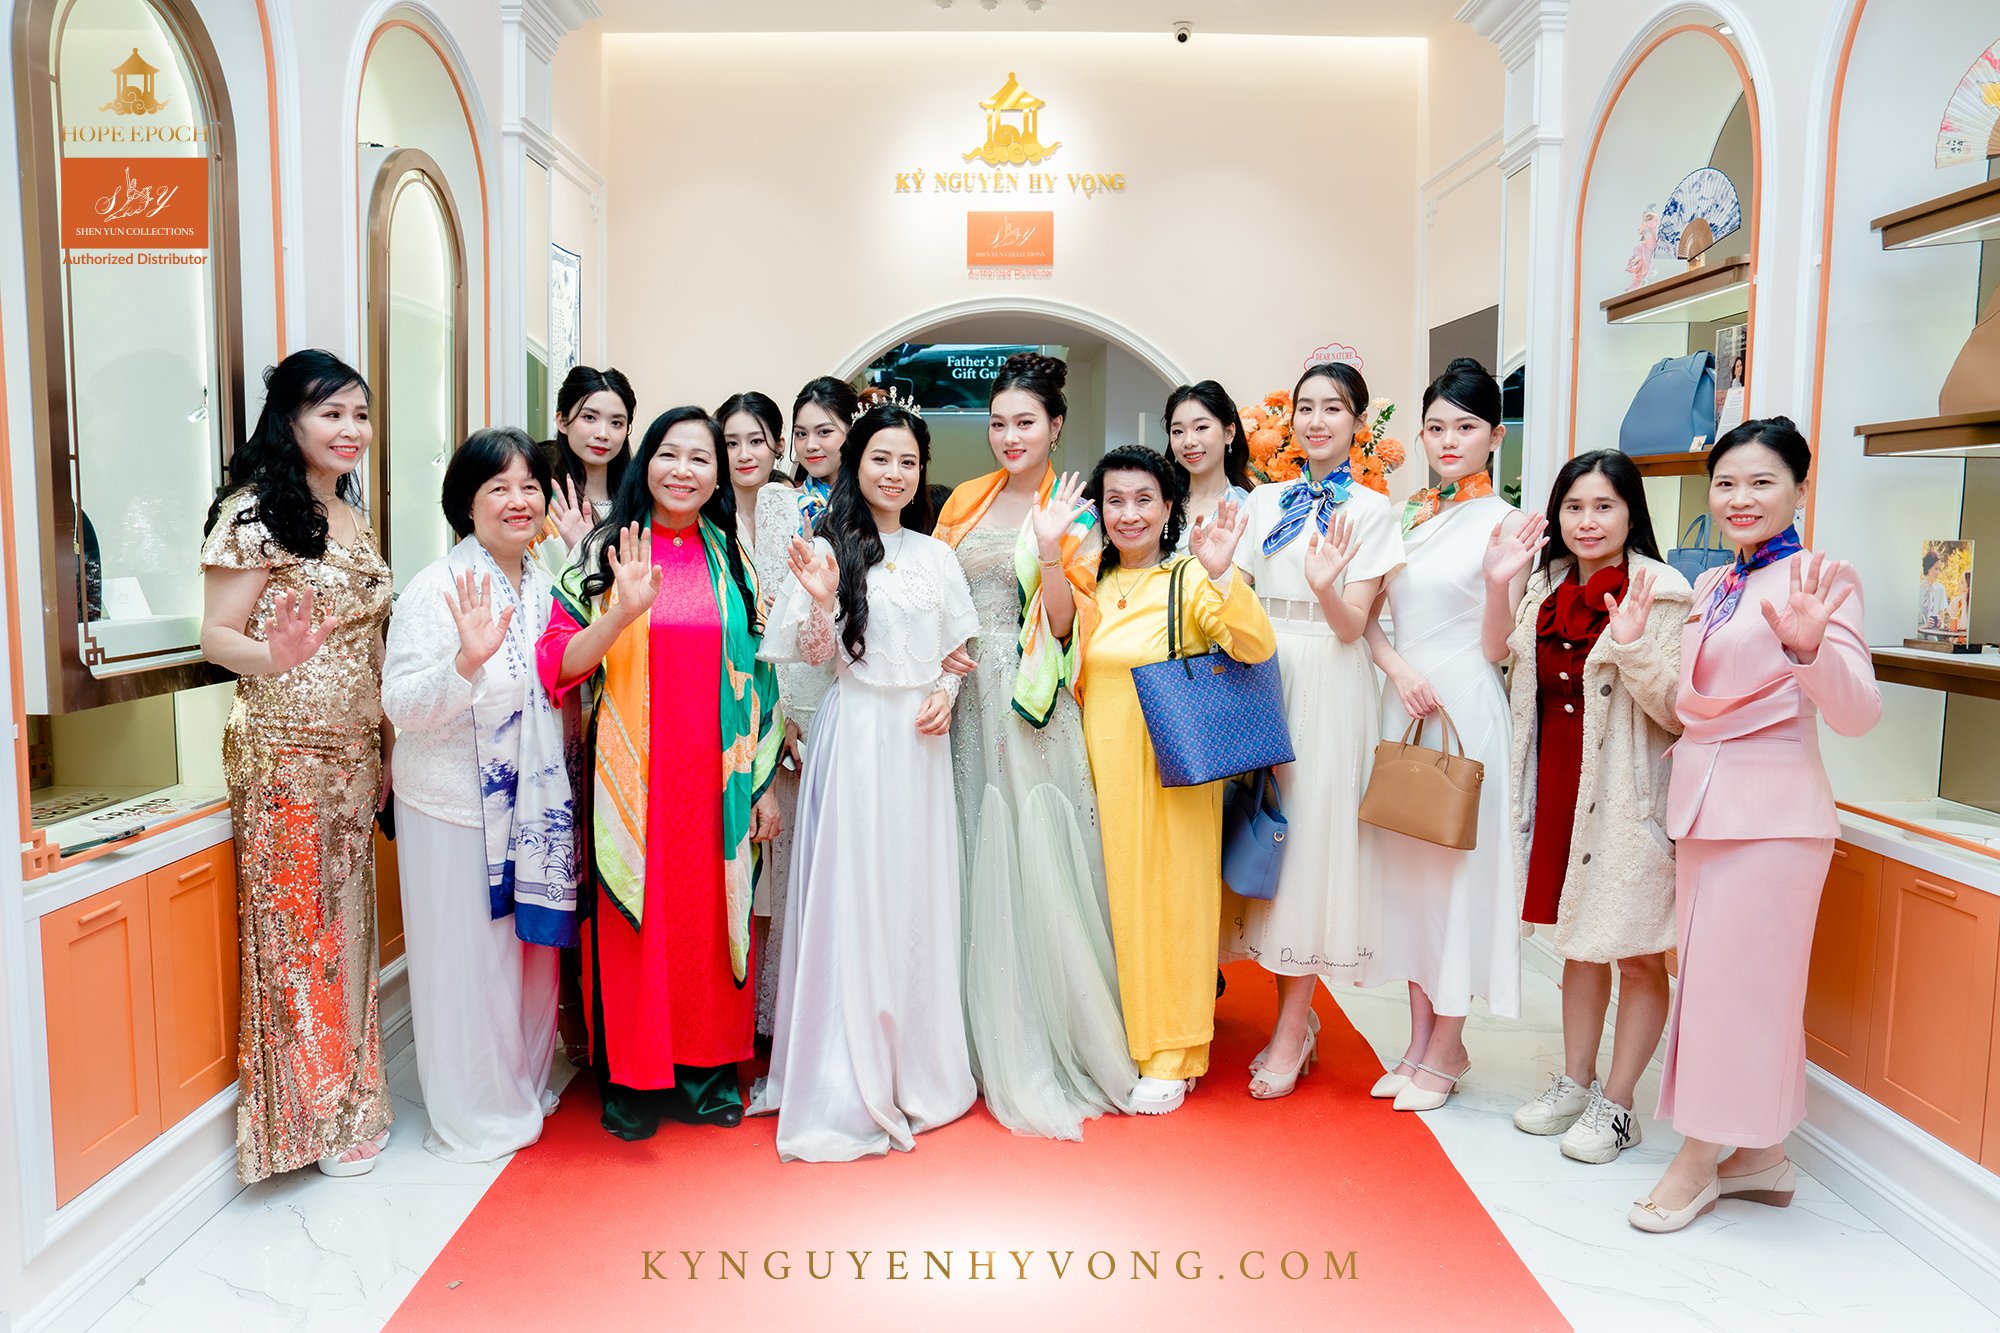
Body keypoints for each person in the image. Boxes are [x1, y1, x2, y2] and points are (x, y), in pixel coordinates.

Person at [1632, 417, 1879, 1233]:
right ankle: (1761, 1156)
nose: (1741, 498)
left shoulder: (1822, 576)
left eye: (1763, 481)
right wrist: (1635, 648)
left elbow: (1859, 713)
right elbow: (1694, 706)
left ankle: (1698, 1157)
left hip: (1775, 818)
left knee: (1738, 993)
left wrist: (1812, 652)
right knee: (1723, 986)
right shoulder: (1714, 583)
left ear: (1800, 489)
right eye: (1727, 482)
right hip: (1706, 809)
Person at [535, 407, 781, 1139]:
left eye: (701, 458)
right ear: (646, 463)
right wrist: (618, 614)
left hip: (717, 783)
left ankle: (706, 1073)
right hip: (631, 777)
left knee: (709, 919)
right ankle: (634, 1079)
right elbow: (558, 664)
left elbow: (761, 677)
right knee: (633, 925)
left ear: (718, 475)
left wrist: (761, 786)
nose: (683, 470)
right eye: (669, 454)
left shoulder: (733, 559)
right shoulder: (604, 550)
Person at [756, 403, 981, 1161]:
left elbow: (957, 651)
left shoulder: (937, 555)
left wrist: (945, 693)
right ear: (857, 463)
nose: (895, 473)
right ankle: (845, 1069)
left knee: (914, 892)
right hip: (855, 735)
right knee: (854, 893)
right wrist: (823, 601)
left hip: (918, 746)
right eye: (881, 458)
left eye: (908, 461)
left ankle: (916, 1063)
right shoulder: (829, 546)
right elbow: (814, 655)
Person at [198, 350, 395, 1181]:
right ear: (290, 419)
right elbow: (216, 637)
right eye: (332, 413)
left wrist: (386, 743)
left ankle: (353, 1097)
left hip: (355, 750)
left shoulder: (350, 511)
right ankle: (312, 1123)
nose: (350, 429)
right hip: (283, 748)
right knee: (298, 935)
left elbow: (371, 641)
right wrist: (274, 658)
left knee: (346, 931)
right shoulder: (252, 512)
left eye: (360, 414)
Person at [932, 352, 1138, 1139]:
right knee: (971, 845)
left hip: (1031, 703)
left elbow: (1061, 622)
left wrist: (1050, 547)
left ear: (1056, 426)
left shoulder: (1074, 509)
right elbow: (937, 596)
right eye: (998, 423)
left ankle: (1057, 1032)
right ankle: (968, 1036)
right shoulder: (964, 500)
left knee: (1036, 852)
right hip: (964, 701)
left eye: (1026, 422)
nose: (1009, 436)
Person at [1486, 450, 1688, 1164]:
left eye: (1604, 506)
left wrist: (1631, 647)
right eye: (1574, 507)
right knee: (1578, 939)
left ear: (1632, 512)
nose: (1588, 521)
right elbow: (1501, 656)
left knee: (1635, 951)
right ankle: (1577, 1081)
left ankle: (1619, 1104)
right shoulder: (1545, 584)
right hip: (1557, 783)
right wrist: (1500, 582)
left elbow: (1678, 709)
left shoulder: (1663, 591)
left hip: (1627, 795)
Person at [380, 429, 574, 1161]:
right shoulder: (436, 587)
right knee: (468, 968)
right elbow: (400, 703)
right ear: (466, 502)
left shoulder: (542, 582)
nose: (518, 501)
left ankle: (519, 1087)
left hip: (533, 809)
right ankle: (473, 1112)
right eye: (499, 488)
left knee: (530, 958)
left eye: (530, 487)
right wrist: (465, 663)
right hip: (455, 806)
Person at [1222, 362, 1405, 1098]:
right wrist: (1216, 574)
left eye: (1333, 408)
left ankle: (1293, 1027)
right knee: (1269, 832)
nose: (1317, 420)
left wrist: (1327, 587)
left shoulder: (1374, 510)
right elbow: (1235, 594)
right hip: (1266, 667)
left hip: (1331, 672)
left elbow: (1355, 625)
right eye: (1305, 407)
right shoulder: (1264, 500)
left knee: (1309, 844)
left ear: (1358, 423)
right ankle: (1294, 1020)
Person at [1077, 445, 1276, 1114]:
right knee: (1111, 906)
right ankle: (1122, 1039)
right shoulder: (1090, 578)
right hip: (1097, 768)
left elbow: (1255, 647)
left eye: (1143, 499)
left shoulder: (1188, 576)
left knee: (1170, 904)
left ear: (1168, 507)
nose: (1128, 514)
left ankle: (1174, 1052)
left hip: (1170, 772)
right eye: (1114, 500)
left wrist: (1221, 575)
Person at [1360, 357, 1525, 1112]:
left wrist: (1497, 581)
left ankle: (1449, 1044)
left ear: (1496, 435)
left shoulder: (1507, 523)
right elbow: (1370, 621)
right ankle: (1420, 1040)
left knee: (1455, 873)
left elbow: (1497, 646)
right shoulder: (1406, 514)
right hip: (1406, 703)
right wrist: (1398, 671)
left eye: (1465, 426)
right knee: (1411, 875)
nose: (1449, 440)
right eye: (1435, 427)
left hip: (1465, 706)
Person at [538, 366, 636, 577]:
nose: (602, 434)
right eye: (590, 417)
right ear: (562, 421)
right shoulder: (544, 502)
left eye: (616, 423)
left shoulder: (639, 501)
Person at [1163, 380, 1254, 554]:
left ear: (1229, 433)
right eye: (1178, 431)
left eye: (1201, 427)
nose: (1189, 442)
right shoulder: (1160, 501)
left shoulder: (1247, 507)